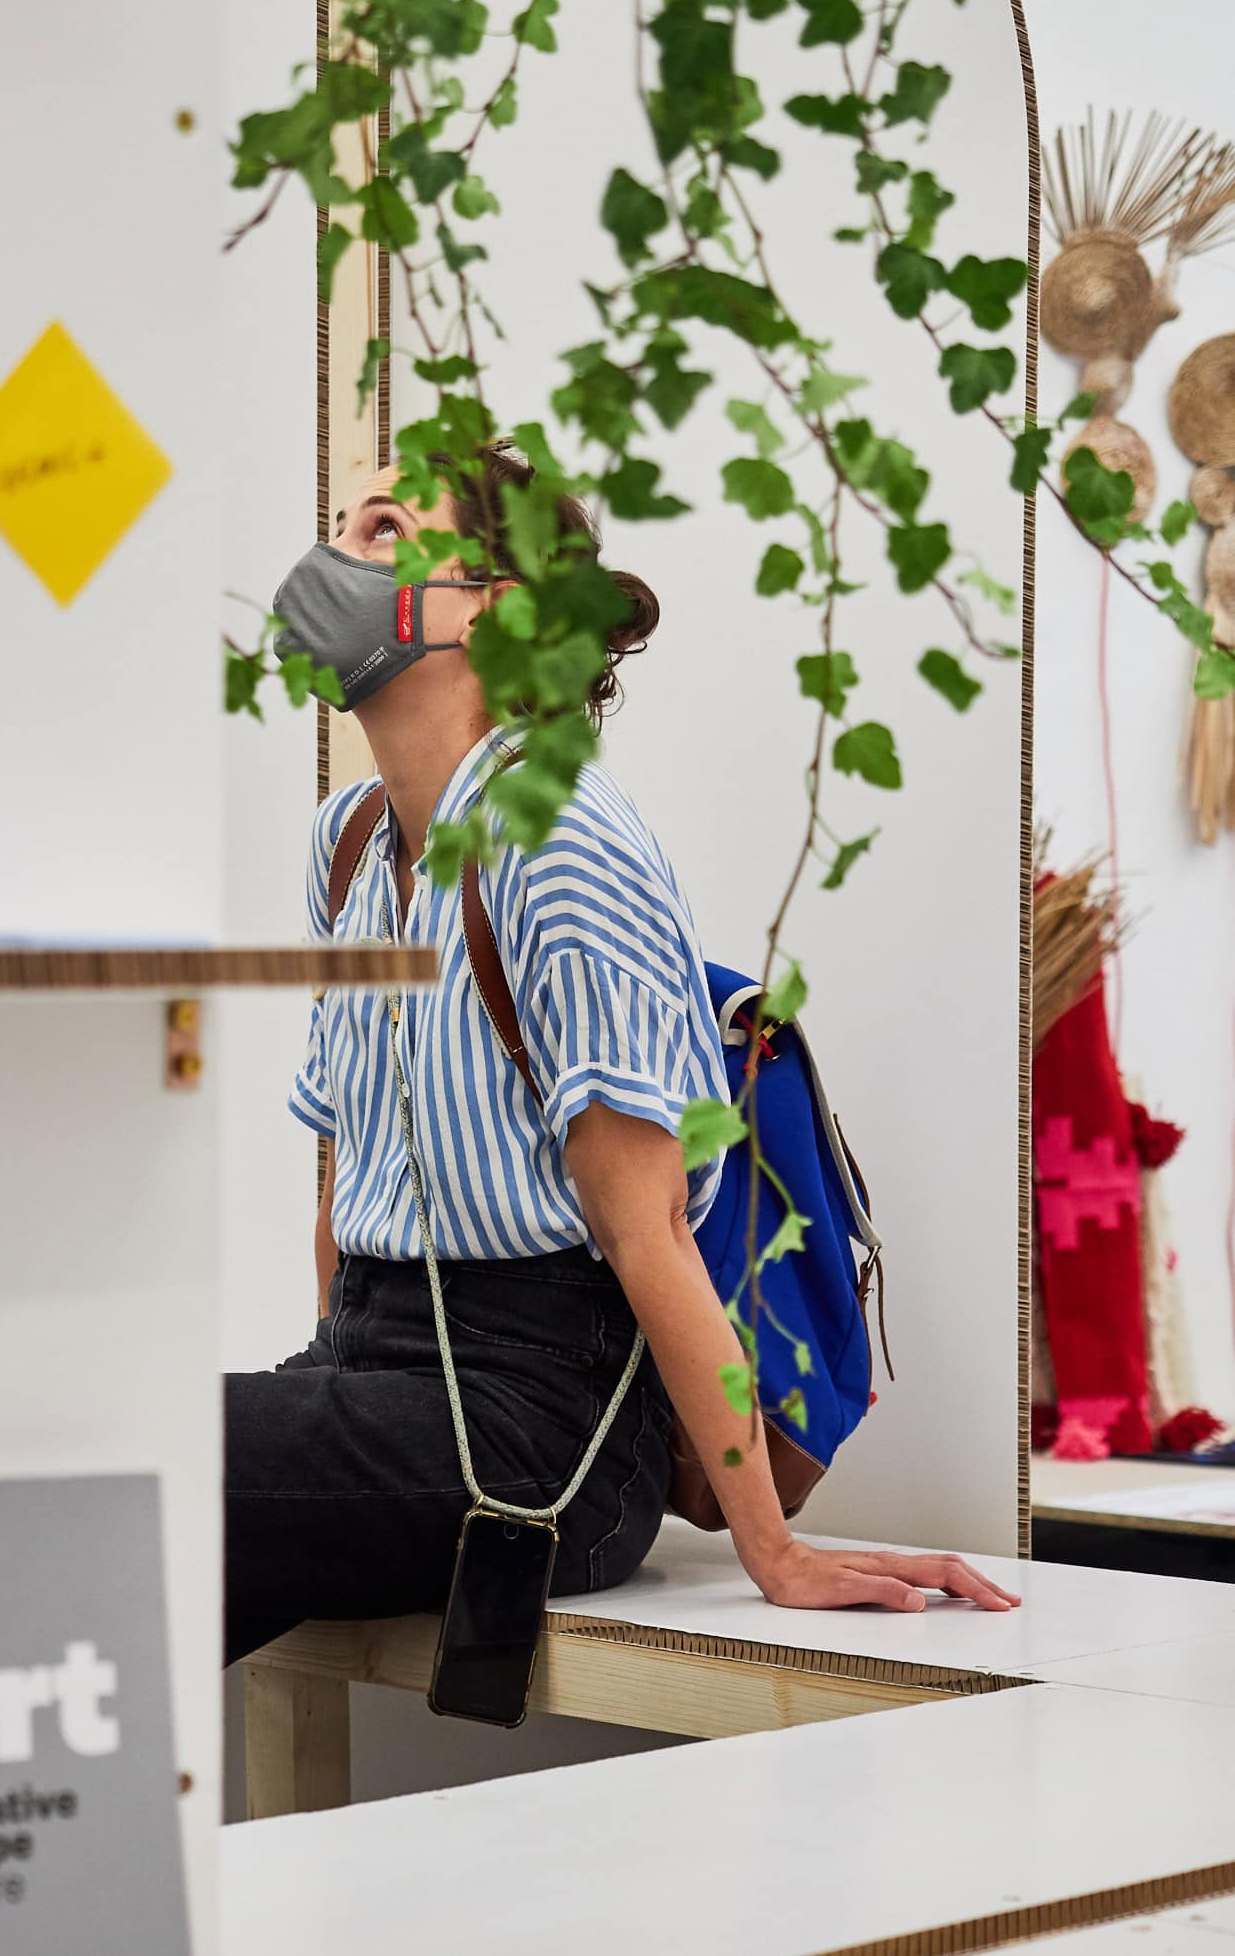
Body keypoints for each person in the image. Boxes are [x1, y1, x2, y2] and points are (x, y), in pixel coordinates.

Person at [222, 445, 1020, 1668]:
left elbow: (646, 1229)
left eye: (382, 528)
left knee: (136, 1459)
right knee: (110, 1571)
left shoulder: (566, 844)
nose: (334, 557)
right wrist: (318, 1405)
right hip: (377, 1366)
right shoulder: (347, 841)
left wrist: (773, 1549)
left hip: (541, 1418)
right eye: (337, 525)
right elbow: (341, 1168)